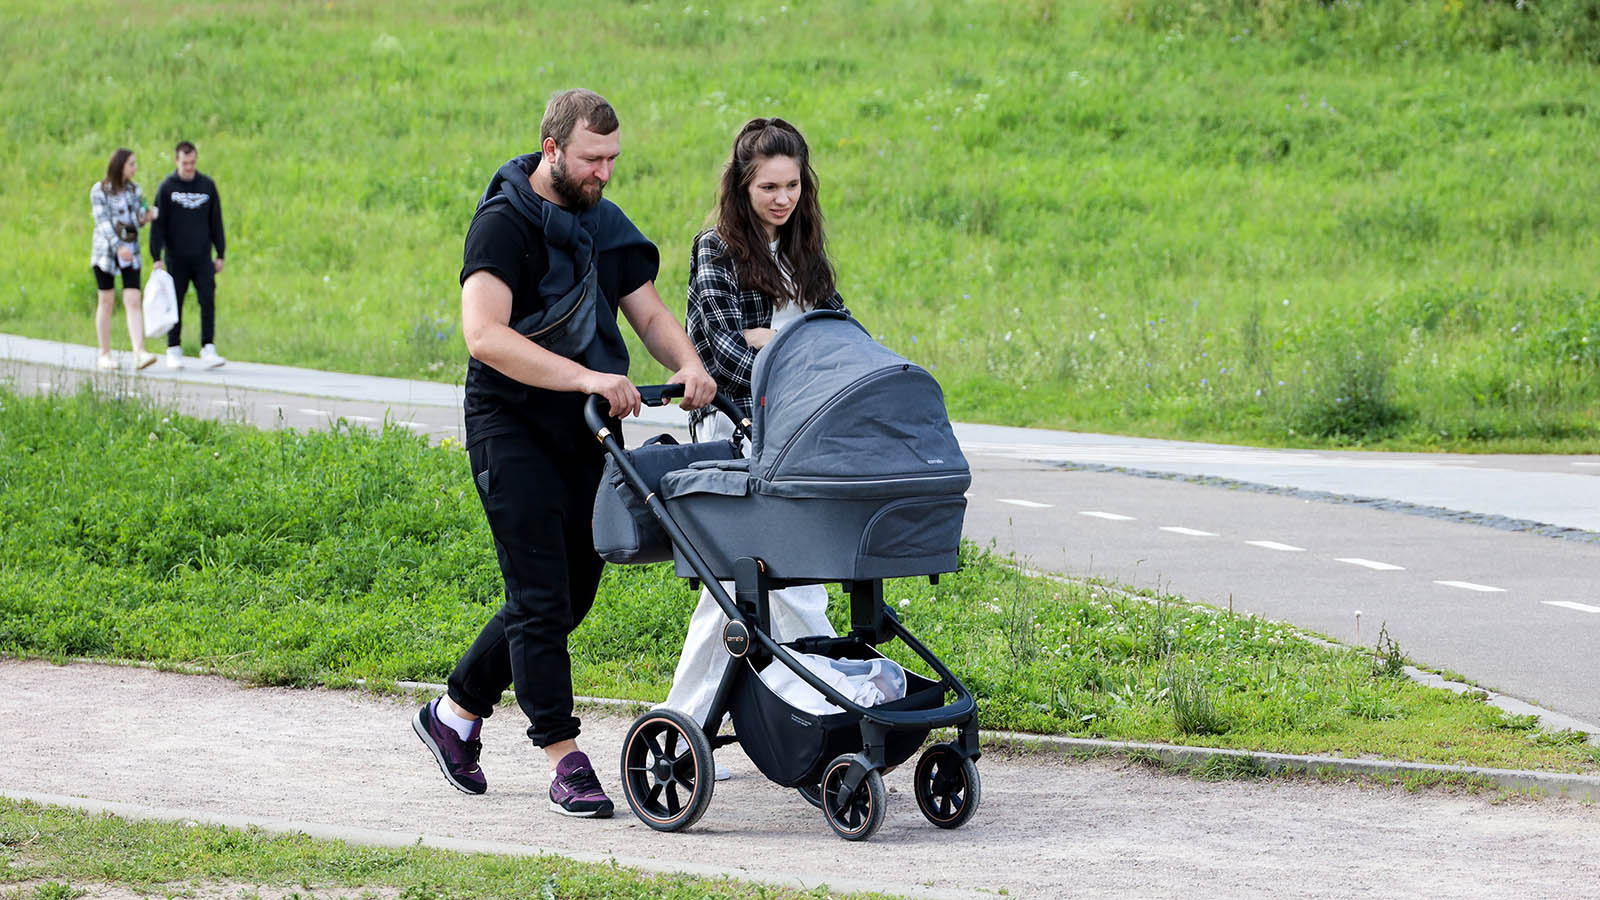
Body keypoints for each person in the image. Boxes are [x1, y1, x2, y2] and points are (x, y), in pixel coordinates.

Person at [412, 89, 716, 819]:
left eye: (613, 158)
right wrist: (587, 375)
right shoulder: (503, 223)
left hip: (581, 430)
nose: (604, 172)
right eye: (592, 159)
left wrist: (689, 364)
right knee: (542, 597)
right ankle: (563, 755)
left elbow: (645, 310)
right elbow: (484, 335)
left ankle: (453, 715)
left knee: (571, 593)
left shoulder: (602, 222)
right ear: (552, 150)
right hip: (509, 426)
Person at [662, 118, 850, 775]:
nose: (782, 198)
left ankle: (811, 725)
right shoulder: (716, 249)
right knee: (747, 592)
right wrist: (794, 351)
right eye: (768, 185)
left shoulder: (805, 256)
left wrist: (777, 341)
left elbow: (845, 340)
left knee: (779, 590)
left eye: (792, 185)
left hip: (794, 439)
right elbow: (724, 355)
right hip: (733, 439)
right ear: (741, 187)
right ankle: (688, 732)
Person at [150, 140, 227, 369]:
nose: (189, 167)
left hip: (202, 256)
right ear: (176, 161)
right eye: (185, 163)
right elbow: (158, 225)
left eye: (192, 163)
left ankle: (208, 347)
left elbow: (216, 221)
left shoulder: (207, 186)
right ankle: (173, 349)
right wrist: (156, 257)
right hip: (175, 257)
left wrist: (220, 252)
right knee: (176, 302)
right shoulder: (167, 187)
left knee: (207, 299)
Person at [90, 148, 159, 371]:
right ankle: (105, 353)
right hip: (107, 253)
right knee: (107, 301)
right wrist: (118, 247)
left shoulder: (134, 190)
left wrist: (145, 218)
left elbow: (135, 221)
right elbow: (103, 223)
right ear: (120, 165)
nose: (134, 168)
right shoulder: (100, 191)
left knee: (132, 299)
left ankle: (139, 351)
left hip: (131, 252)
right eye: (131, 164)